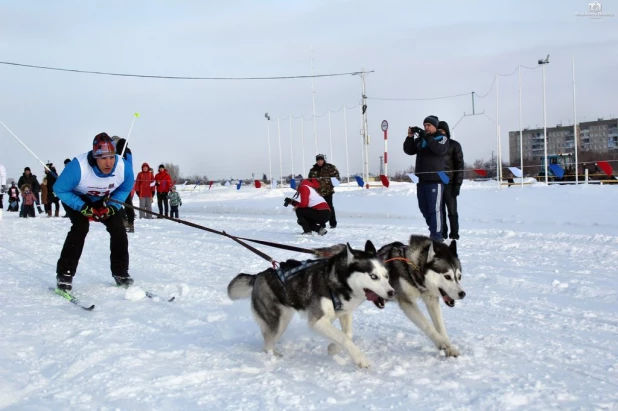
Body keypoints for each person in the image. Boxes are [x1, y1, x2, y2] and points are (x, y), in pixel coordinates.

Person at [53, 133, 135, 292]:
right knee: (81, 226)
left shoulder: (124, 168)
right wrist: (82, 207)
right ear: (95, 157)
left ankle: (120, 272)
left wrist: (112, 207)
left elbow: (125, 188)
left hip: (102, 199)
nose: (108, 163)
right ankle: (64, 274)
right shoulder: (78, 167)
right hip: (76, 198)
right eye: (103, 158)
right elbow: (59, 189)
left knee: (118, 228)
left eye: (111, 157)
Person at [403, 115, 449, 242]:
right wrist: (410, 137)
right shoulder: (422, 139)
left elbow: (439, 150)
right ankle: (434, 229)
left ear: (435, 126)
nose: (426, 127)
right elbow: (409, 150)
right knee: (424, 208)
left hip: (435, 180)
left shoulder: (442, 138)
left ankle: (437, 235)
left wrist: (428, 137)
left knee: (435, 210)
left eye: (428, 125)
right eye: (424, 125)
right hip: (422, 180)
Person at [438, 121, 464, 240]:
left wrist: (457, 184)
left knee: (452, 211)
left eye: (442, 131)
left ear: (447, 132)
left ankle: (454, 233)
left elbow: (460, 166)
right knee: (440, 211)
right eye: (438, 131)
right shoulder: (434, 146)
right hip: (437, 183)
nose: (440, 133)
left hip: (450, 183)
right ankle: (443, 232)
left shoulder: (454, 145)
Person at [308, 154, 340, 229]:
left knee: (329, 207)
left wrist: (331, 184)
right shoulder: (313, 170)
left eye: (321, 160)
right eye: (318, 160)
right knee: (319, 208)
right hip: (317, 193)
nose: (320, 162)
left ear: (323, 160)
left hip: (327, 191)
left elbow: (337, 177)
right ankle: (322, 224)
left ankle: (333, 223)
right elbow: (310, 180)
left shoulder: (330, 167)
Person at [112, 137, 136, 232]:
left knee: (114, 200)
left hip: (120, 179)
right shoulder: (128, 151)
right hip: (127, 179)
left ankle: (124, 220)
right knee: (127, 202)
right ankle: (130, 222)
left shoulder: (117, 152)